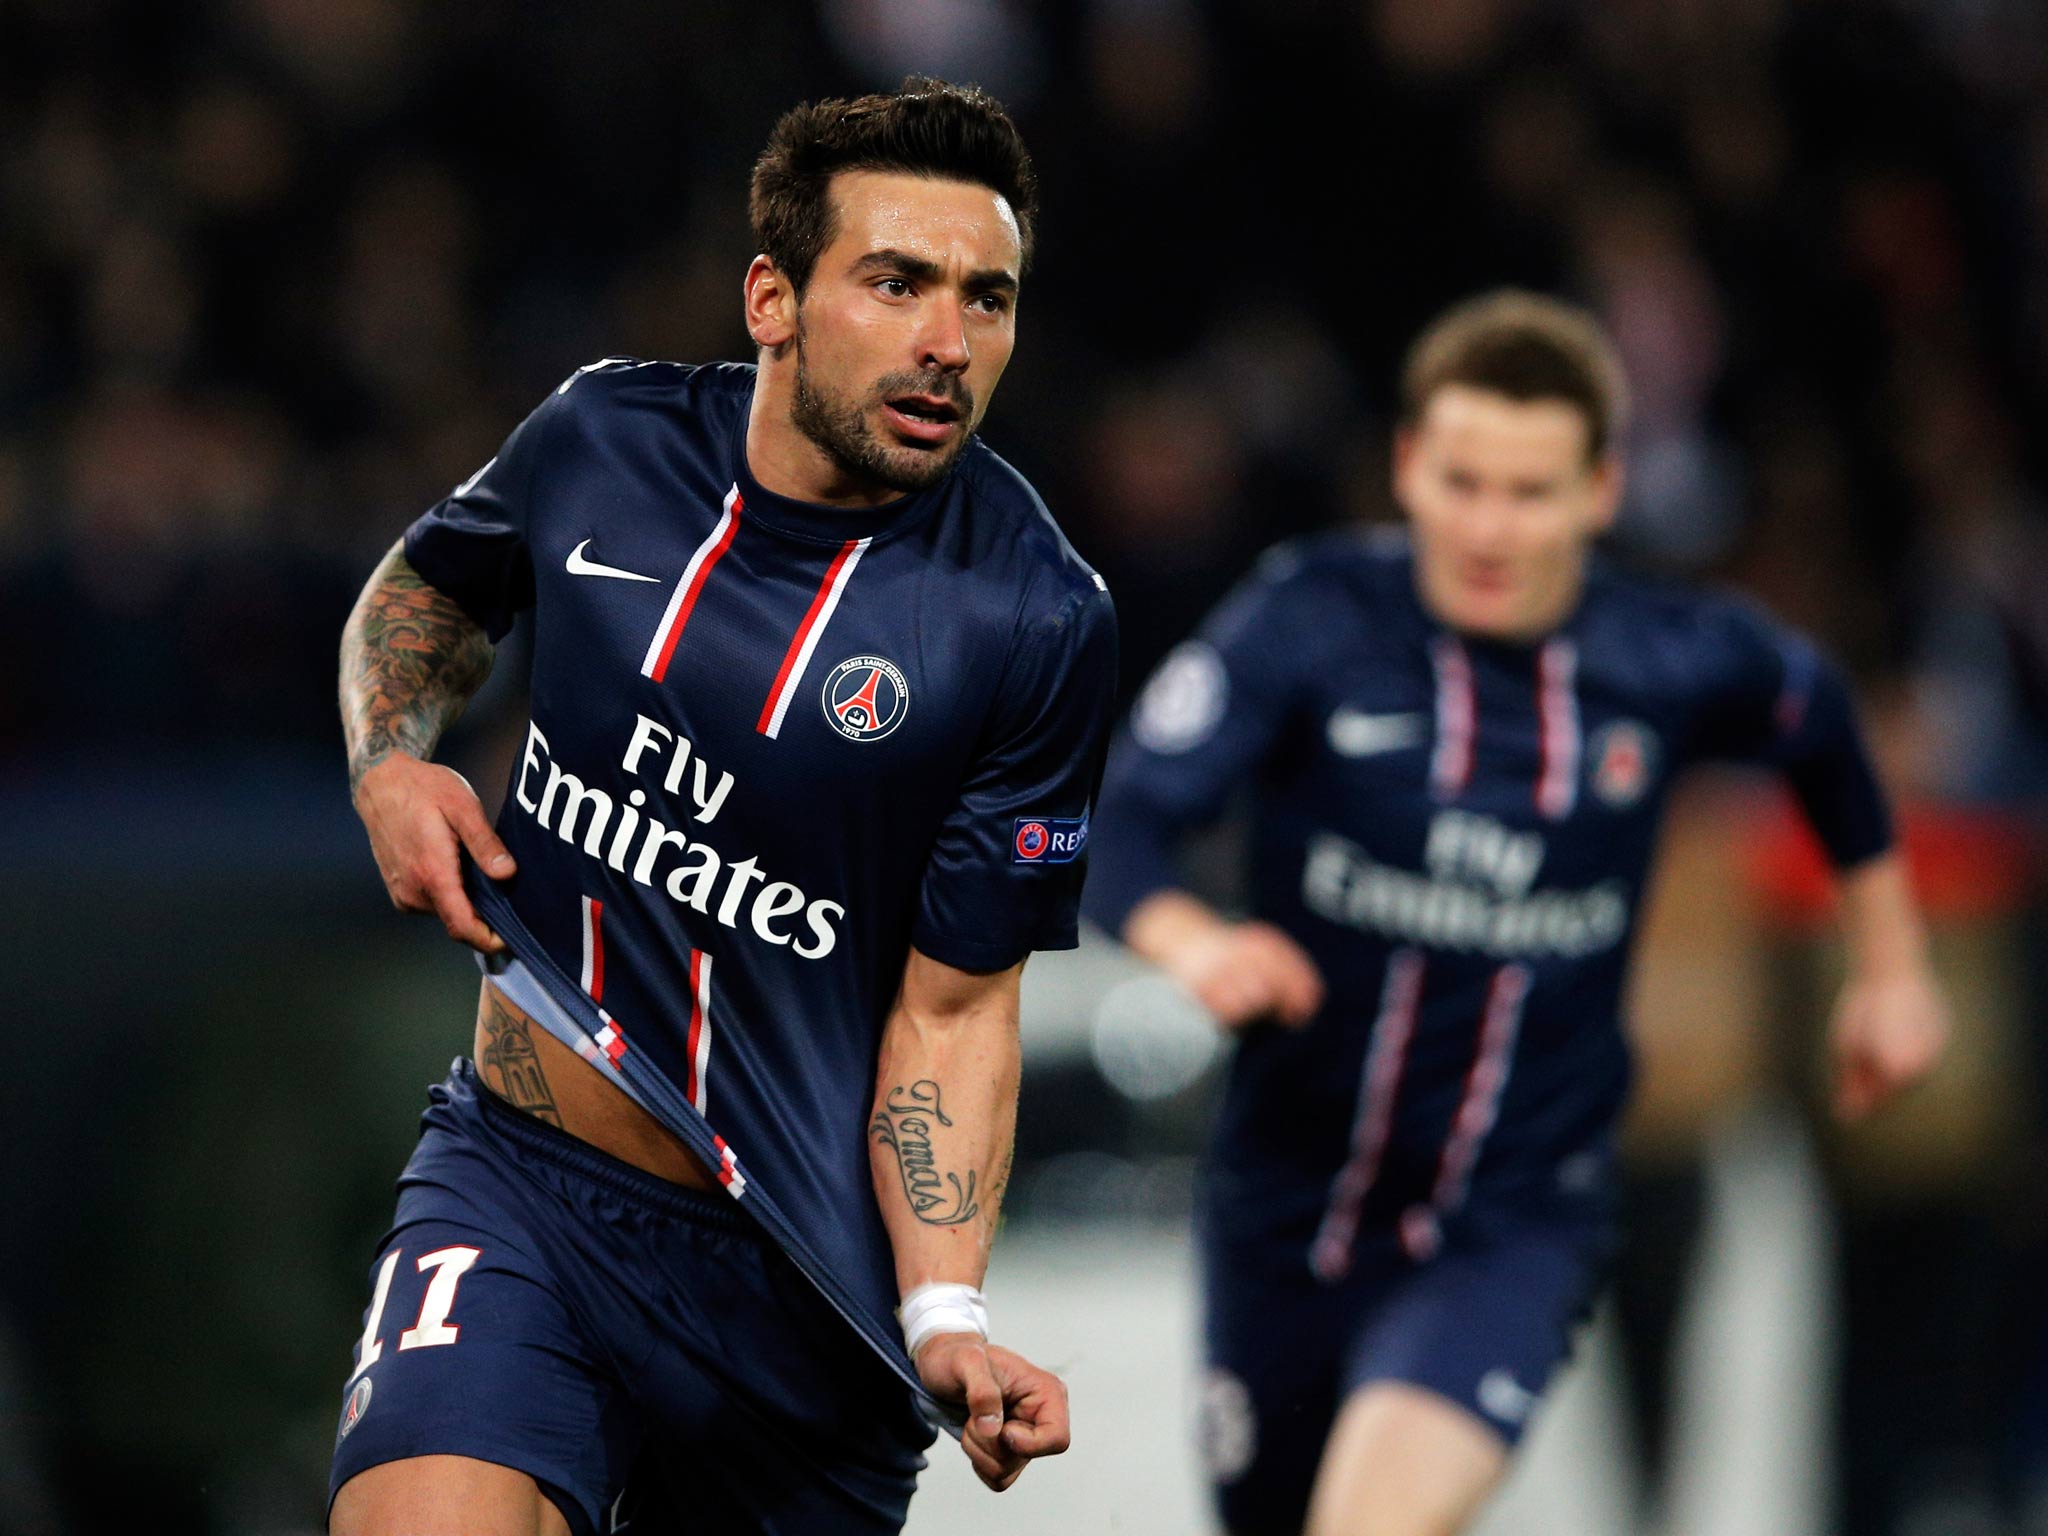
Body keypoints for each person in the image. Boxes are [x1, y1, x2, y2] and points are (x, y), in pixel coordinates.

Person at [329, 78, 1115, 1536]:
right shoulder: (600, 444)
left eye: (987, 299)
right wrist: (391, 760)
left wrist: (945, 1308)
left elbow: (952, 1011)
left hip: (798, 1304)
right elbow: (428, 591)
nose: (950, 343)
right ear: (774, 296)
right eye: (898, 283)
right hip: (526, 1189)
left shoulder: (1034, 617)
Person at [1082, 289, 1949, 1536]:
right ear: (1406, 468)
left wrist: (1890, 967)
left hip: (1512, 1217)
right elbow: (1122, 820)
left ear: (1597, 492)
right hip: (1283, 1209)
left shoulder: (1665, 655)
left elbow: (1816, 720)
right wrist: (1191, 938)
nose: (1489, 527)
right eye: (1462, 481)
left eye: (1530, 491)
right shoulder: (1307, 616)